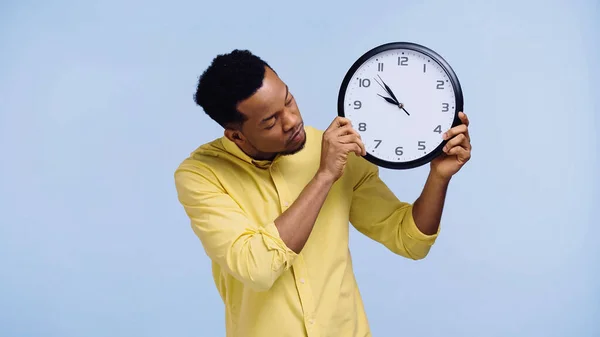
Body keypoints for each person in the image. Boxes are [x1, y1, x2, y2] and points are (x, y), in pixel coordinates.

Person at [173, 49, 472, 337]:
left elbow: (409, 241)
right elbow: (257, 268)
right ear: (236, 135)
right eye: (270, 121)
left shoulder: (336, 150)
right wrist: (325, 176)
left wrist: (438, 177)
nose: (291, 120)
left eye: (289, 101)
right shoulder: (201, 176)